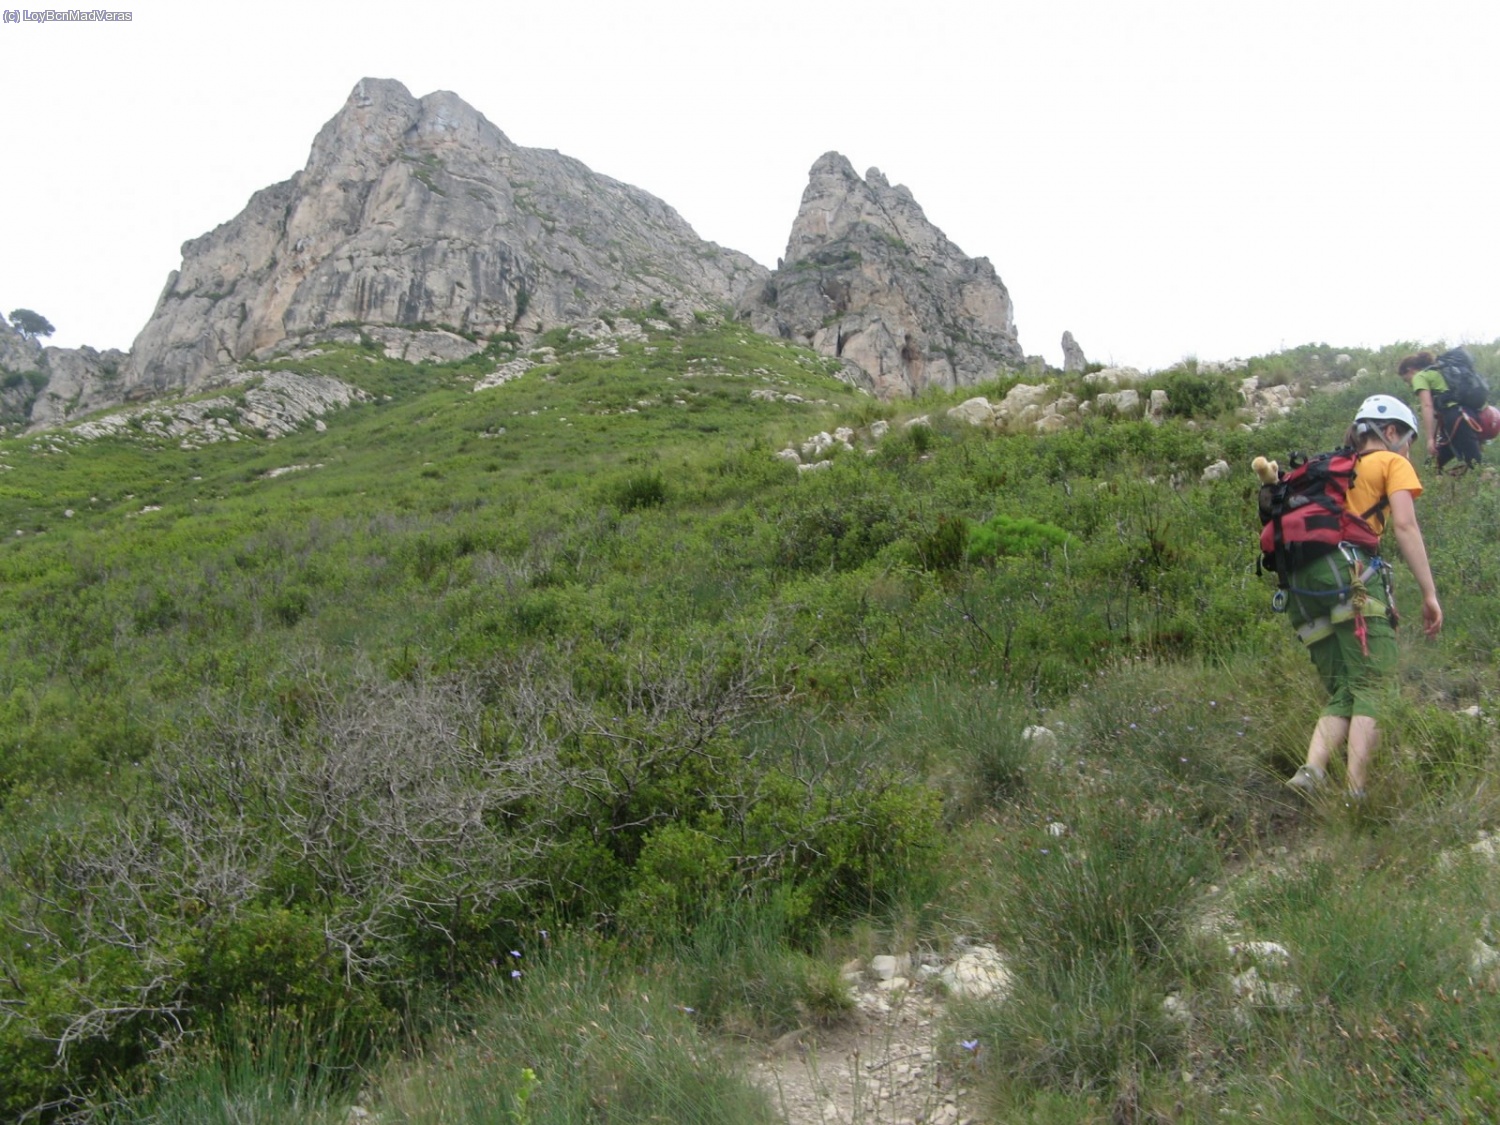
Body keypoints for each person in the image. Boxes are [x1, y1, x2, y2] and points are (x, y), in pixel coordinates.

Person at [1285, 394, 1442, 800]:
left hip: (1300, 587)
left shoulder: (1336, 469)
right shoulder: (1391, 462)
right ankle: (1355, 793)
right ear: (1389, 431)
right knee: (1373, 683)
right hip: (1348, 574)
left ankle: (1312, 771)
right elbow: (1405, 526)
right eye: (1407, 441)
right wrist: (1429, 594)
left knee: (1346, 686)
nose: (1408, 451)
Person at [1399, 350, 1482, 473]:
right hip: (1468, 415)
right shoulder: (1437, 372)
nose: (1409, 384)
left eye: (1406, 380)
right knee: (1433, 464)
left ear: (1410, 369)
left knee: (1475, 465)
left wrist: (1430, 439)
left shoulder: (1420, 376)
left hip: (1456, 418)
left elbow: (1427, 406)